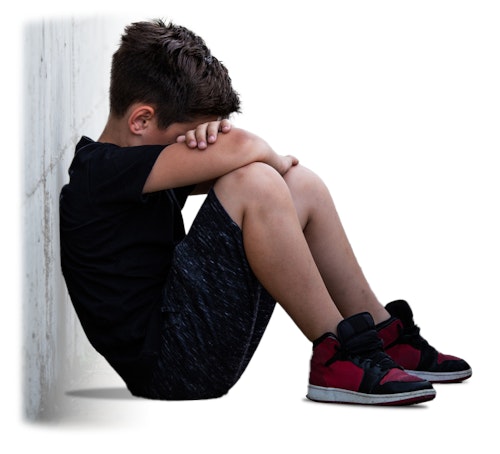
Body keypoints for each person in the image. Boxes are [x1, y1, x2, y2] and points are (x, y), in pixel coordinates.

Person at [59, 19, 471, 405]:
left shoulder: (141, 166)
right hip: (171, 366)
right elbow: (242, 153)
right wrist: (253, 151)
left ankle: (382, 334)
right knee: (255, 182)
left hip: (189, 337)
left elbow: (238, 162)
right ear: (142, 119)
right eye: (188, 138)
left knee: (300, 185)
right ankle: (338, 352)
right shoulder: (98, 173)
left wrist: (235, 151)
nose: (195, 146)